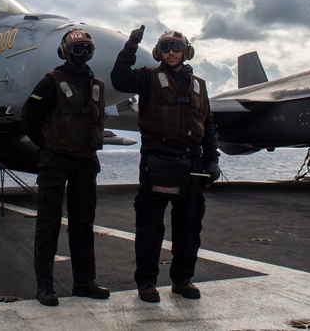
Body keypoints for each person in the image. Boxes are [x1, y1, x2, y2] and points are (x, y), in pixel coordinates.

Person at [111, 26, 221, 303]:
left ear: (186, 51)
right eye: (166, 47)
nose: (171, 52)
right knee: (150, 227)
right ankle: (147, 283)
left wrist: (212, 158)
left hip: (192, 163)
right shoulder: (147, 78)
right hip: (157, 161)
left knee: (189, 226)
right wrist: (130, 46)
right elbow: (119, 79)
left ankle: (183, 279)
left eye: (176, 46)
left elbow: (207, 125)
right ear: (159, 52)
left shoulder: (200, 85)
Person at [22, 28, 111, 306]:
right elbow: (29, 116)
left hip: (85, 162)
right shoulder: (51, 82)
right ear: (65, 51)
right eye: (77, 49)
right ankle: (45, 286)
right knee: (48, 224)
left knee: (83, 224)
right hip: (55, 161)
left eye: (87, 49)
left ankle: (84, 282)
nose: (82, 54)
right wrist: (46, 144)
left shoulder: (97, 85)